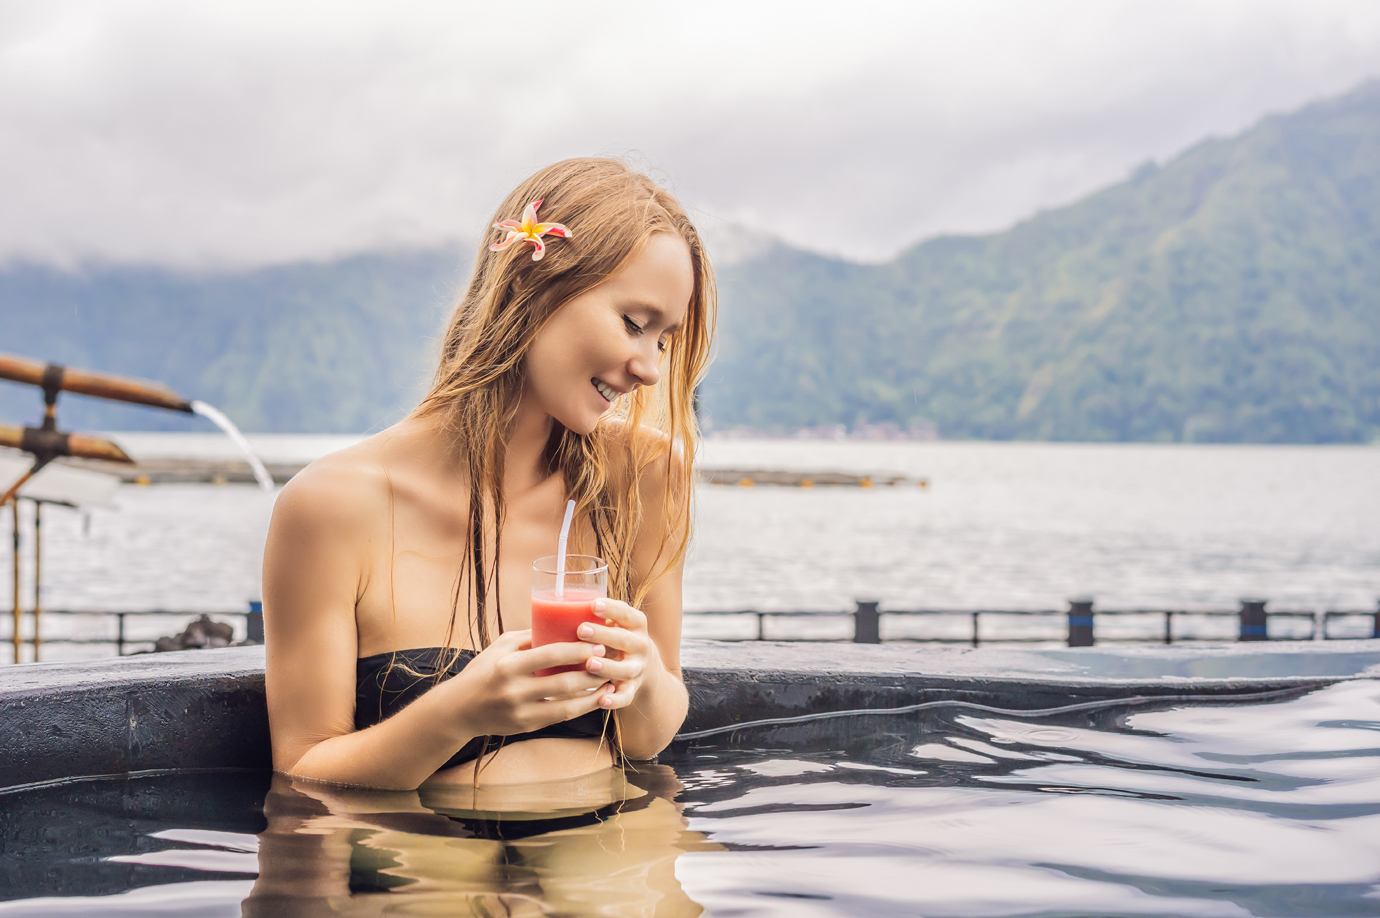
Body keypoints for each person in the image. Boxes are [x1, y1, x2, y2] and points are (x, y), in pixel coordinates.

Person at [262, 157, 715, 792]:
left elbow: (649, 736)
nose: (648, 368)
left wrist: (641, 677)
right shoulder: (331, 507)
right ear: (535, 287)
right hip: (420, 862)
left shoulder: (641, 476)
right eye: (634, 324)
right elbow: (303, 770)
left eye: (663, 340)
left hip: (611, 858)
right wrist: (458, 713)